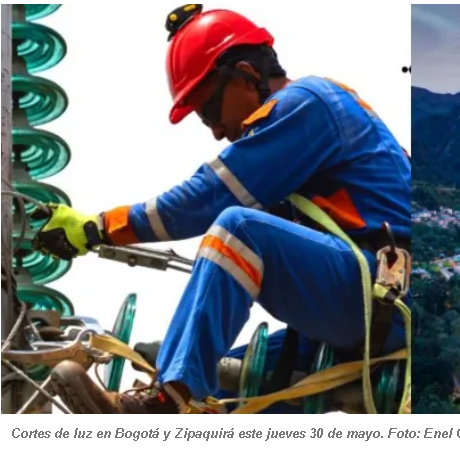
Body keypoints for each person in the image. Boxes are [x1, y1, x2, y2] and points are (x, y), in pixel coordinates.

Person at [35, 4, 410, 414]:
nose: (215, 130)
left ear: (247, 75)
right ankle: (176, 400)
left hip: (380, 296)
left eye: (209, 110)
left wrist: (99, 227)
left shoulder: (308, 103)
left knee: (238, 230)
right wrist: (184, 346)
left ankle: (164, 401)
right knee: (237, 384)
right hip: (367, 304)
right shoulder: (297, 146)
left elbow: (208, 198)